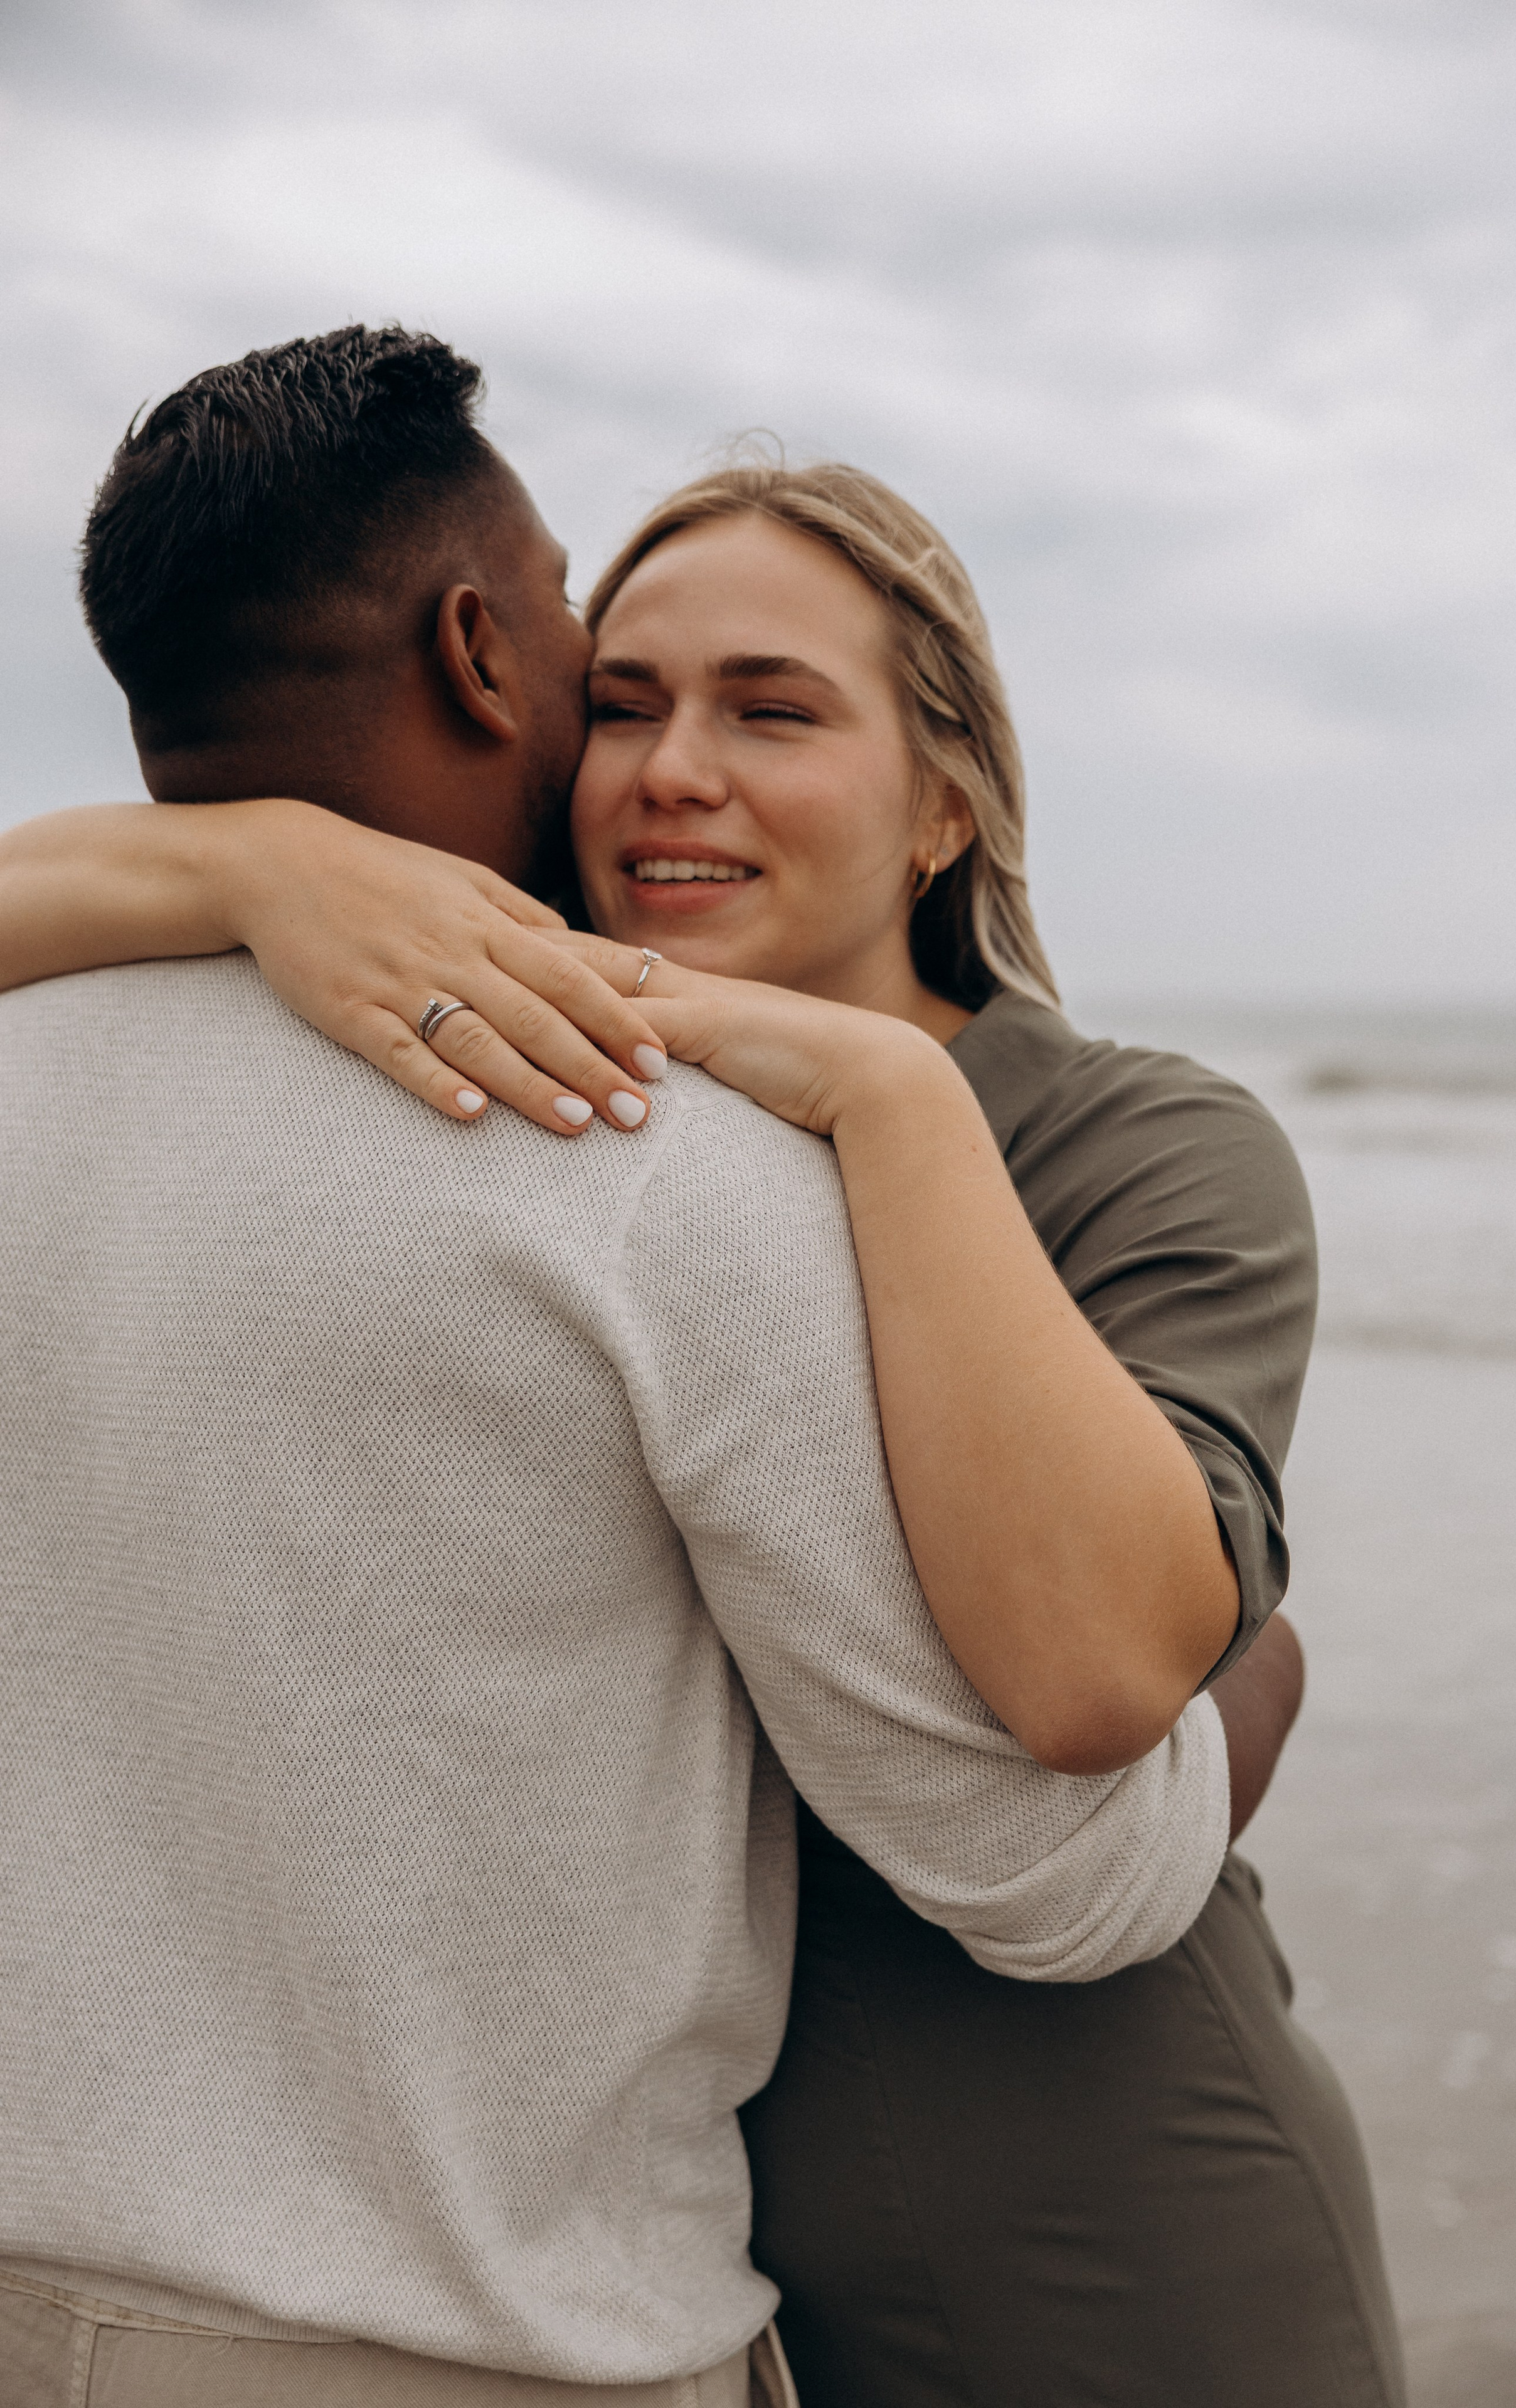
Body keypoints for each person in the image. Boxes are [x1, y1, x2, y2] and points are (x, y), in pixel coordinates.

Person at [0, 328, 1400, 2403]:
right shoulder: (555, 1077)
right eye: (626, 695)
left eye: (773, 711)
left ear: (945, 806)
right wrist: (246, 861)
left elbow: (1109, 1706)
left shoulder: (1128, 1145)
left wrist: (886, 1105)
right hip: (668, 2239)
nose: (668, 770)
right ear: (511, 690)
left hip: (1077, 2204)